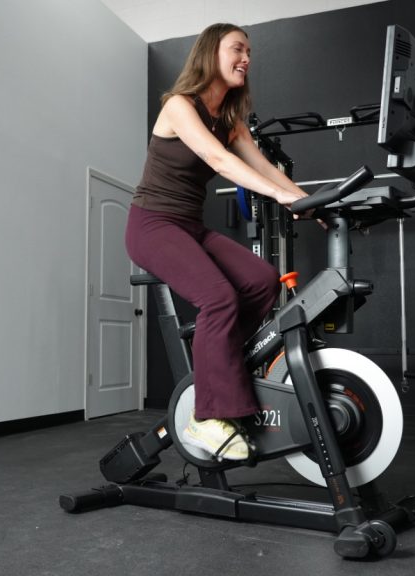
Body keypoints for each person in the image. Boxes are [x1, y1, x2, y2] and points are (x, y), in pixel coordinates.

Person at [125, 23, 310, 461]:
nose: (246, 58)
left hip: (190, 225)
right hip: (152, 224)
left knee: (263, 281)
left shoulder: (230, 119)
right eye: (237, 49)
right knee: (219, 298)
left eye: (249, 52)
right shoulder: (178, 106)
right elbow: (216, 159)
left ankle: (221, 370)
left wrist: (314, 204)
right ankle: (206, 417)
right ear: (211, 53)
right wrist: (282, 197)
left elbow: (265, 169)